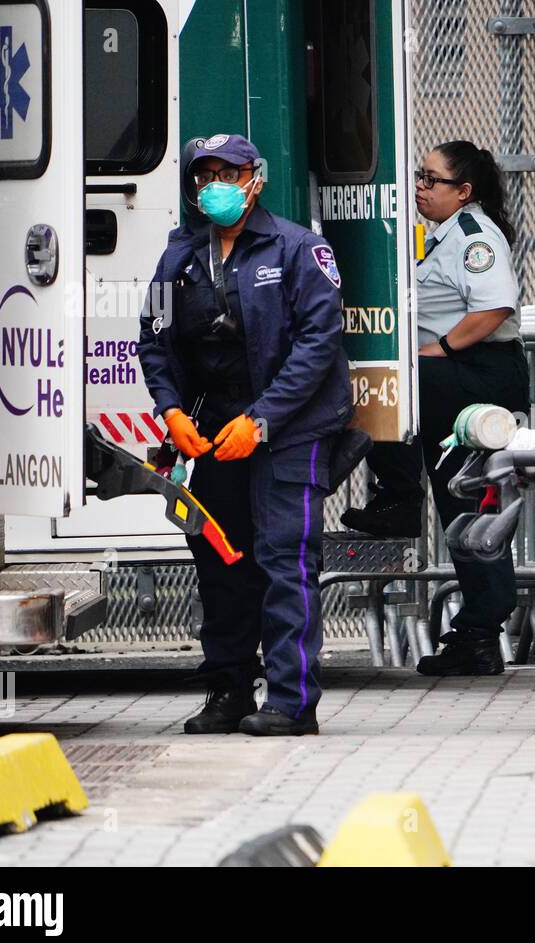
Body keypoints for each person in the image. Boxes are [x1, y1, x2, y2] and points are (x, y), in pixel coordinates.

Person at [138, 133, 352, 736]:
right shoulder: (175, 258)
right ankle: (227, 693)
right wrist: (171, 411)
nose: (214, 186)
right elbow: (152, 339)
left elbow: (317, 345)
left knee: (284, 561)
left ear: (254, 178)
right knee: (220, 562)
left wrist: (261, 420)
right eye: (203, 176)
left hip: (287, 429)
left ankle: (291, 702)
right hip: (211, 433)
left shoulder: (299, 249)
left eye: (227, 174)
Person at [342, 141, 528, 677]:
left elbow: (494, 306)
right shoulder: (440, 235)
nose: (420, 188)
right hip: (452, 377)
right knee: (455, 498)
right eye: (419, 177)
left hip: (477, 377)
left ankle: (480, 630)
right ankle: (399, 500)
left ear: (463, 191)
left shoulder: (474, 238)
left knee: (469, 505)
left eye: (431, 180)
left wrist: (439, 350)